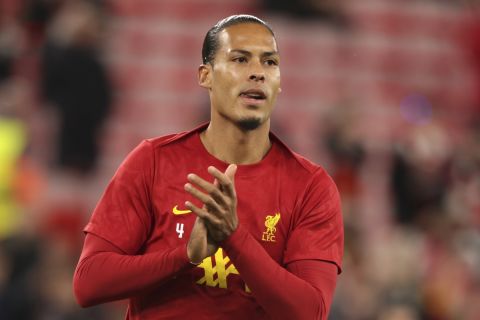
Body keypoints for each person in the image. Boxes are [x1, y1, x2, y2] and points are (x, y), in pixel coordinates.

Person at [73, 14, 343, 320]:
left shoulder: (310, 187)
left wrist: (234, 238)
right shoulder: (152, 161)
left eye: (270, 62)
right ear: (206, 76)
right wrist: (186, 256)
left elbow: (311, 313)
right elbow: (89, 283)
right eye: (240, 59)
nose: (258, 73)